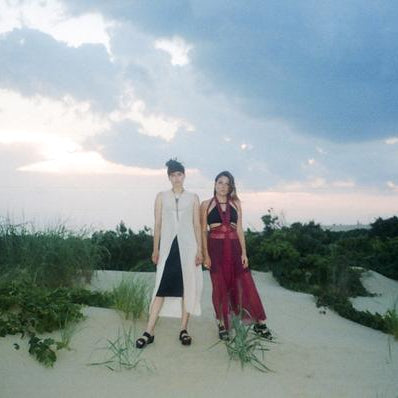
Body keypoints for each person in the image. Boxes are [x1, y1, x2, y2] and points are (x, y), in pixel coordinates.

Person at [136, 159, 203, 348]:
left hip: (188, 248)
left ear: (184, 175)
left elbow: (197, 225)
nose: (176, 178)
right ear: (169, 177)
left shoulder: (193, 197)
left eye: (179, 174)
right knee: (160, 289)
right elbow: (157, 224)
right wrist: (155, 249)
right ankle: (149, 331)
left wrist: (200, 250)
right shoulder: (161, 196)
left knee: (187, 288)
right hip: (167, 248)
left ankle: (184, 329)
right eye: (172, 175)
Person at [200, 171, 272, 341]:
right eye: (220, 182)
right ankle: (221, 324)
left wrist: (244, 253)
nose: (223, 186)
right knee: (219, 286)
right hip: (215, 249)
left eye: (227, 183)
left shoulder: (236, 203)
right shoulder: (205, 204)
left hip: (234, 248)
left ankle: (259, 322)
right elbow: (204, 230)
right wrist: (205, 255)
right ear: (214, 184)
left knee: (245, 284)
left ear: (231, 187)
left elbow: (239, 229)